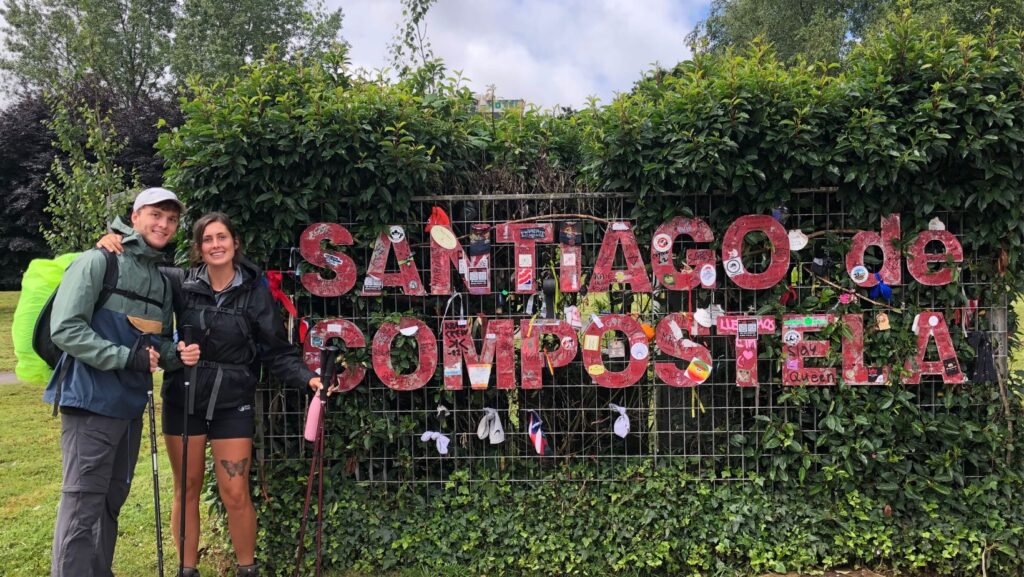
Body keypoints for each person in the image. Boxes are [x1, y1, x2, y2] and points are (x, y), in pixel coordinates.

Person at [99, 211, 326, 577]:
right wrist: (114, 242)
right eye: (207, 239)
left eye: (222, 237)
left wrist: (308, 379)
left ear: (235, 243)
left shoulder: (255, 294)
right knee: (185, 490)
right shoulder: (179, 283)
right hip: (183, 398)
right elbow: (137, 270)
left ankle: (246, 569)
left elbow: (276, 350)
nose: (215, 245)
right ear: (199, 248)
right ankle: (187, 570)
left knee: (235, 491)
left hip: (232, 402)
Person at [45, 187, 190, 577]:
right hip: (91, 402)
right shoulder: (99, 261)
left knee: (110, 500)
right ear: (136, 216)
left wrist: (176, 355)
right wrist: (127, 357)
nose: (164, 224)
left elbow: (155, 342)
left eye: (172, 219)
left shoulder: (158, 280)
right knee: (82, 502)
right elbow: (66, 329)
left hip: (129, 406)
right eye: (156, 215)